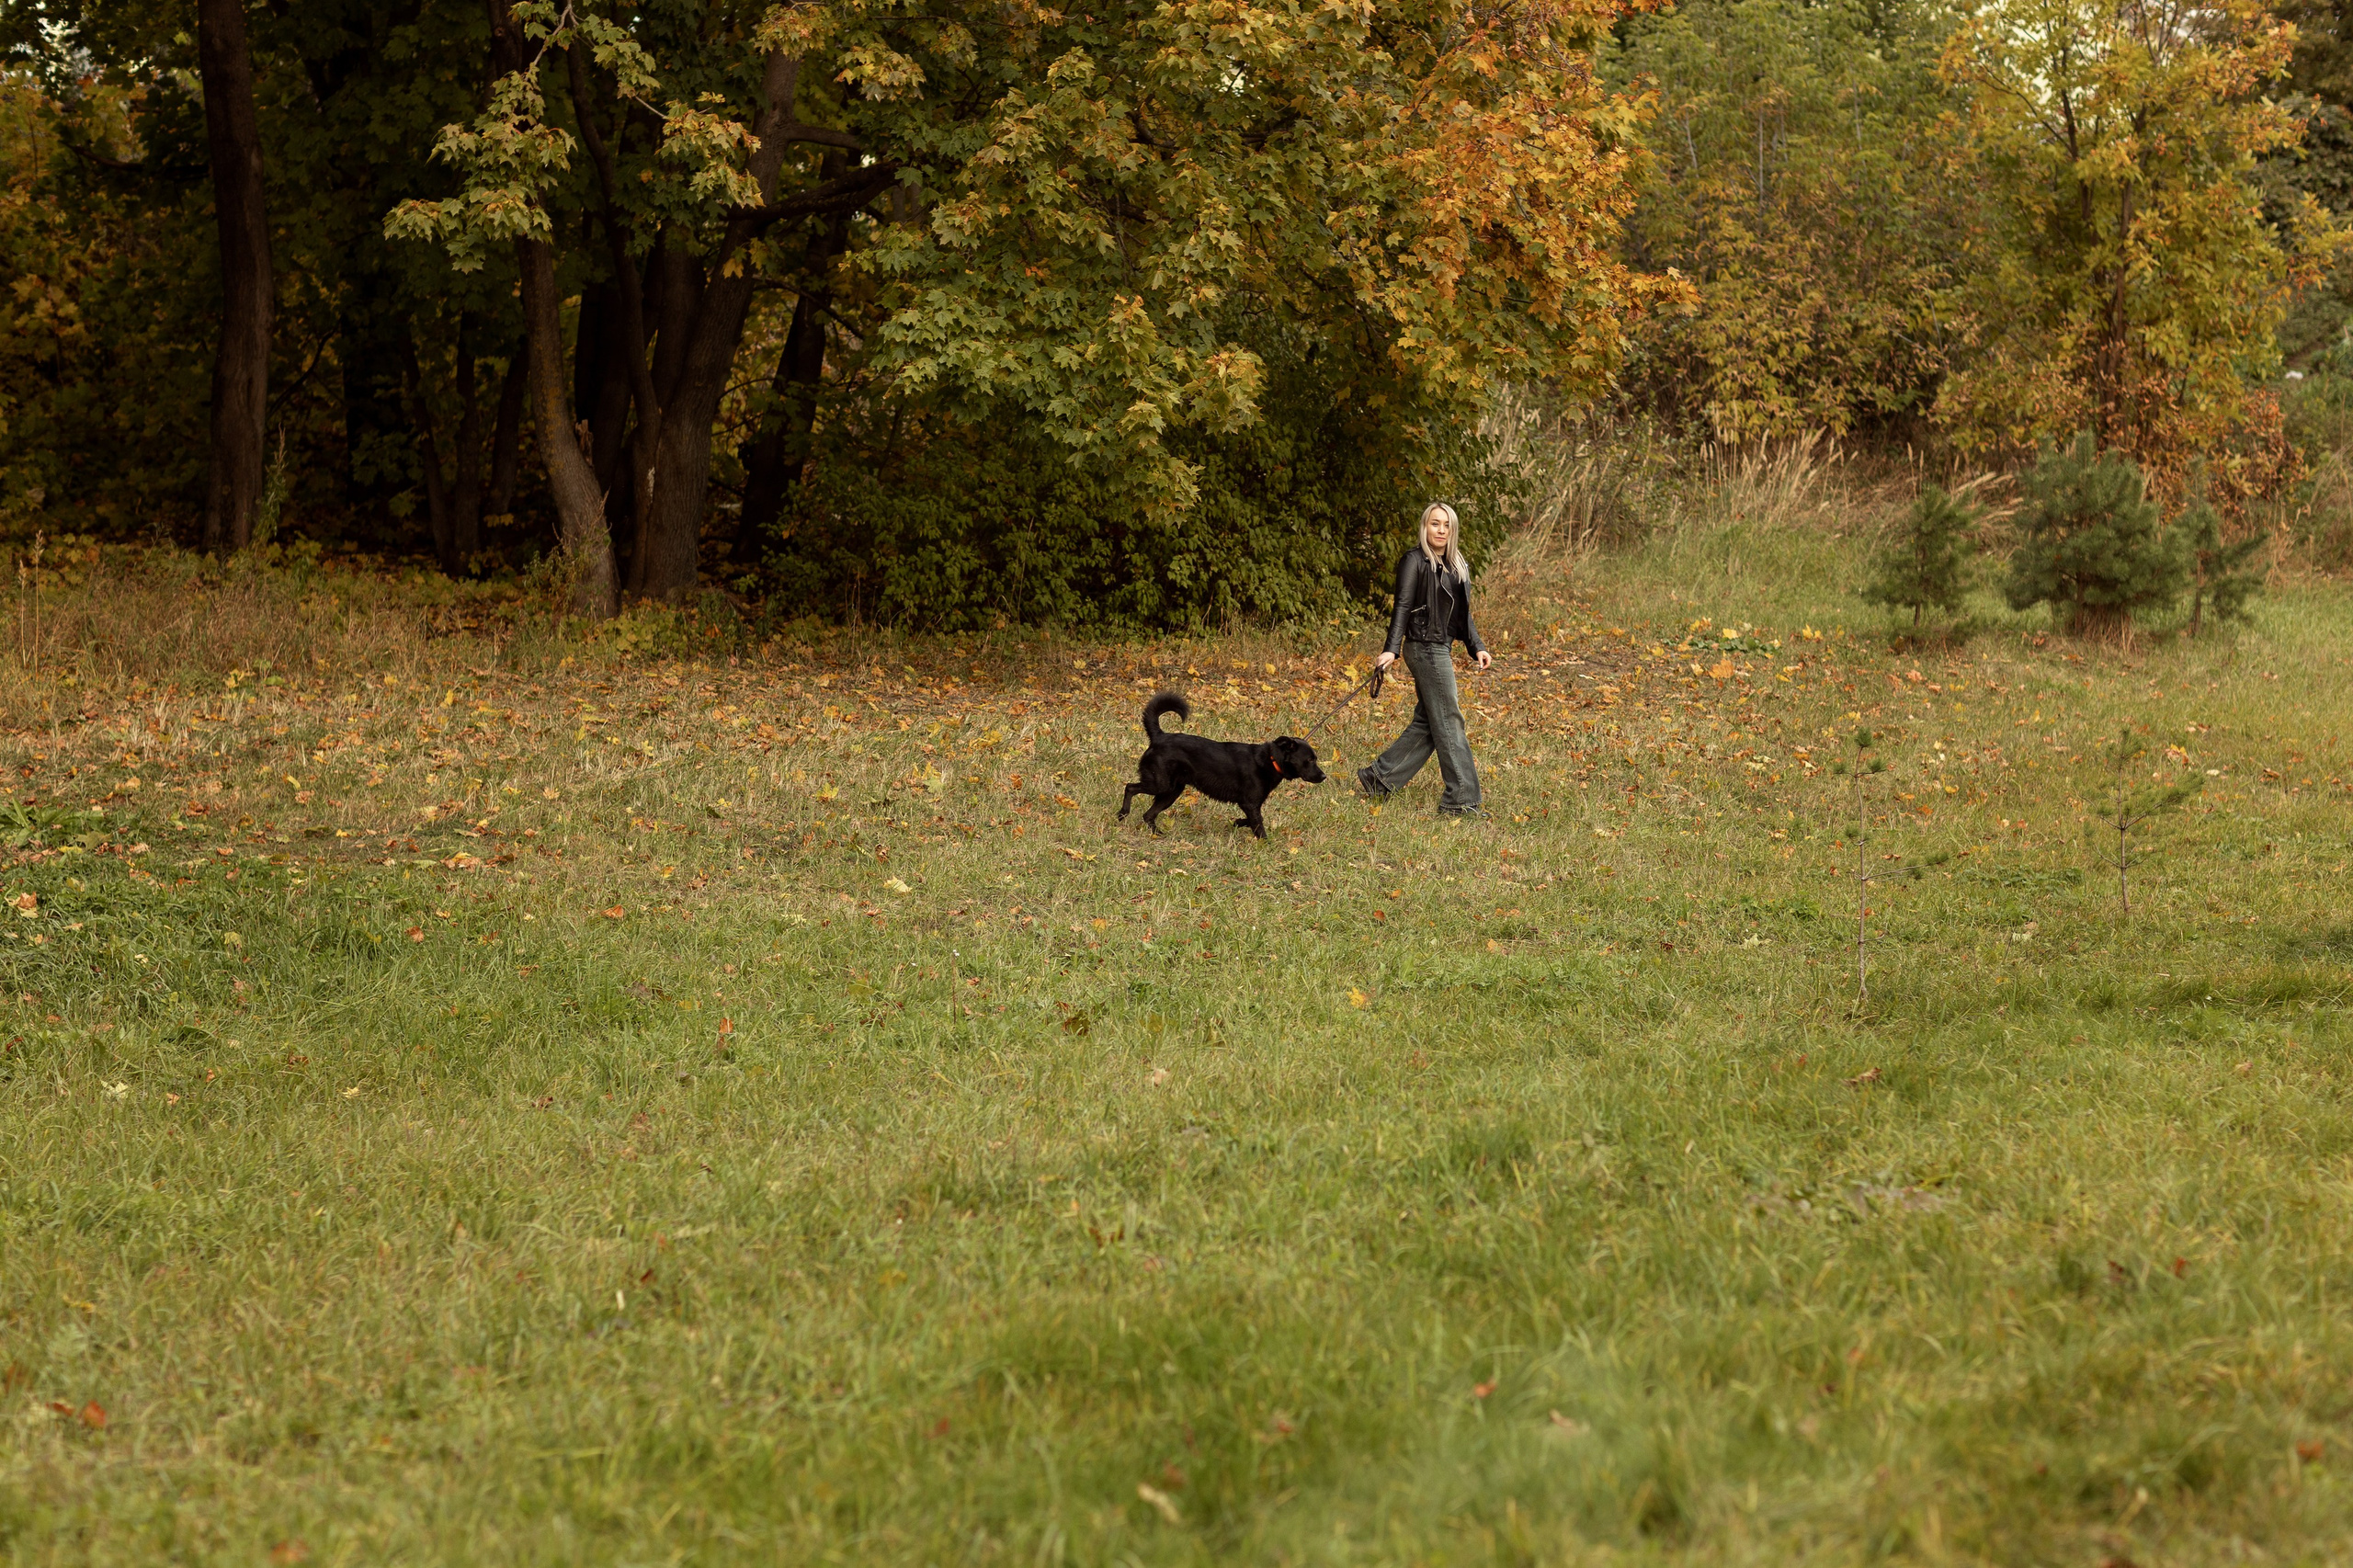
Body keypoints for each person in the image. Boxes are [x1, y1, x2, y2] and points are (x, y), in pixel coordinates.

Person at [1357, 502, 1490, 816]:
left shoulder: (1458, 564)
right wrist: (1392, 648)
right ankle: (1461, 801)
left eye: (1446, 525)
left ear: (1452, 529)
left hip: (1441, 647)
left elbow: (1463, 615)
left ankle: (1380, 778)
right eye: (1435, 524)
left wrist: (1477, 646)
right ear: (1425, 527)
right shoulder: (1414, 560)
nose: (1441, 530)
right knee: (1449, 720)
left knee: (1431, 722)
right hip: (1423, 647)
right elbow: (1402, 606)